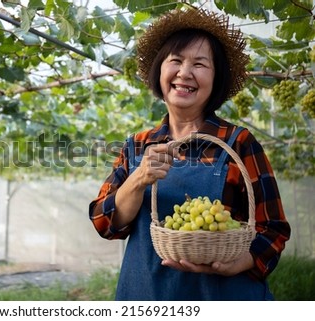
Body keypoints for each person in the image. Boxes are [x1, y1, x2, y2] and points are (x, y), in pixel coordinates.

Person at [89, 6, 291, 301]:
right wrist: (137, 179)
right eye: (176, 61)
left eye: (200, 64)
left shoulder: (238, 143)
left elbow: (273, 230)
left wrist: (240, 262)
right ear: (160, 70)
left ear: (215, 78)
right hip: (148, 296)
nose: (185, 73)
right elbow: (104, 223)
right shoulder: (137, 145)